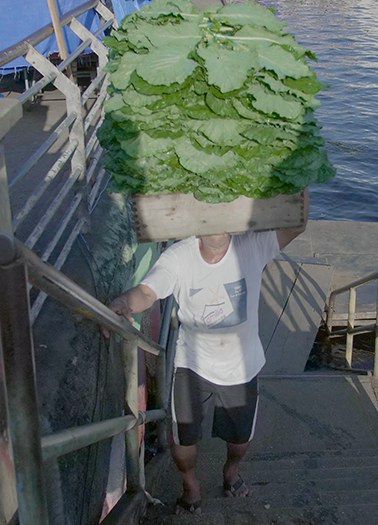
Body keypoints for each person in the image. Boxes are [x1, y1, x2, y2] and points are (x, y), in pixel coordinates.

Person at [107, 191, 308, 515]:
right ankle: (191, 487)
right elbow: (148, 290)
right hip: (192, 366)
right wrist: (123, 304)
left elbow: (296, 225)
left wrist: (300, 182)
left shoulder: (252, 246)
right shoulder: (179, 256)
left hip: (242, 368)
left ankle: (231, 473)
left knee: (240, 440)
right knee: (182, 440)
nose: (215, 221)